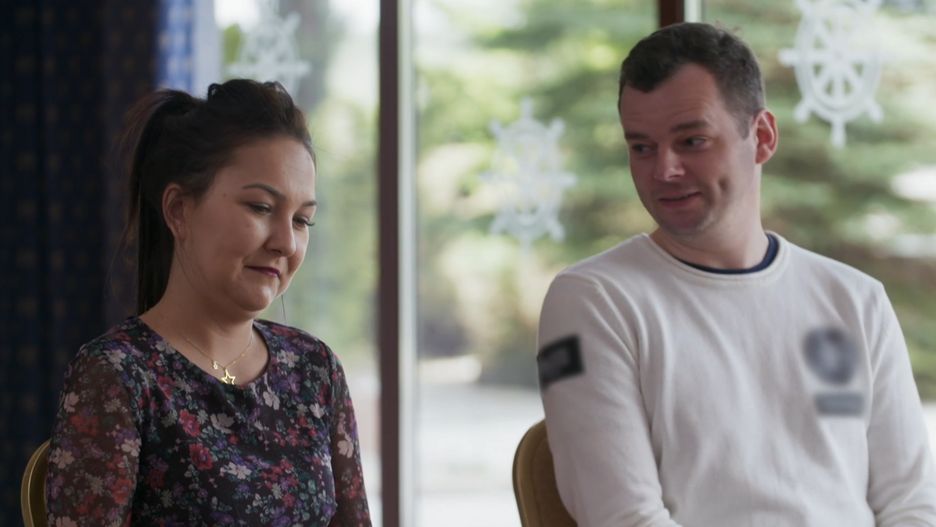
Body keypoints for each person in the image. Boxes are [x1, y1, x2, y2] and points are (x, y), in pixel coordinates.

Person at [537, 22, 936, 526]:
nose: (664, 170)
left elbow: (912, 503)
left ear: (762, 137)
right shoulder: (590, 302)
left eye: (692, 141)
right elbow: (625, 518)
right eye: (641, 147)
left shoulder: (857, 300)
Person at [45, 79, 371, 526]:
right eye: (260, 207)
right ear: (179, 210)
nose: (285, 242)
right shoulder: (119, 375)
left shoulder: (315, 369)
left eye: (302, 220)